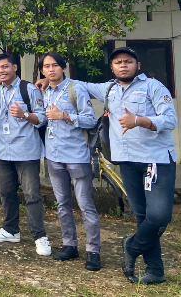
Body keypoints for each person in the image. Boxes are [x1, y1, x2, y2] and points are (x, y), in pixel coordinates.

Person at [62, 47, 176, 284]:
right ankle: (155, 270)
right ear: (112, 68)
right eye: (118, 62)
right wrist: (45, 79)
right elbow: (76, 83)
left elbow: (170, 120)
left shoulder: (153, 87)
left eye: (128, 61)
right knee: (142, 216)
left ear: (138, 65)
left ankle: (132, 246)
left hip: (155, 160)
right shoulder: (108, 89)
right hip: (126, 160)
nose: (123, 65)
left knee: (159, 216)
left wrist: (139, 121)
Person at [0, 53, 51, 256]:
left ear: (15, 68)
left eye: (5, 67)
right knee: (6, 193)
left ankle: (40, 236)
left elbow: (43, 118)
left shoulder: (28, 89)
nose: (1, 71)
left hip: (26, 150)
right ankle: (11, 230)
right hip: (2, 150)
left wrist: (25, 115)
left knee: (32, 195)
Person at [36, 52, 102, 270]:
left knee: (85, 205)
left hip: (77, 156)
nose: (51, 69)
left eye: (55, 65)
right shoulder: (44, 91)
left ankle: (93, 251)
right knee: (62, 204)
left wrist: (65, 116)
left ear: (63, 68)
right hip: (53, 155)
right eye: (46, 66)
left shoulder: (75, 89)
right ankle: (69, 245)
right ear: (43, 71)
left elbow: (91, 120)